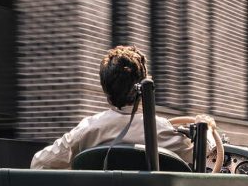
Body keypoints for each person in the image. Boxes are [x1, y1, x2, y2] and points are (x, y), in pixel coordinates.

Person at [30, 45, 197, 169]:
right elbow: (205, 156)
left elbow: (39, 163)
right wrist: (207, 128)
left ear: (105, 87)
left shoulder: (87, 129)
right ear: (143, 87)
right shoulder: (160, 129)